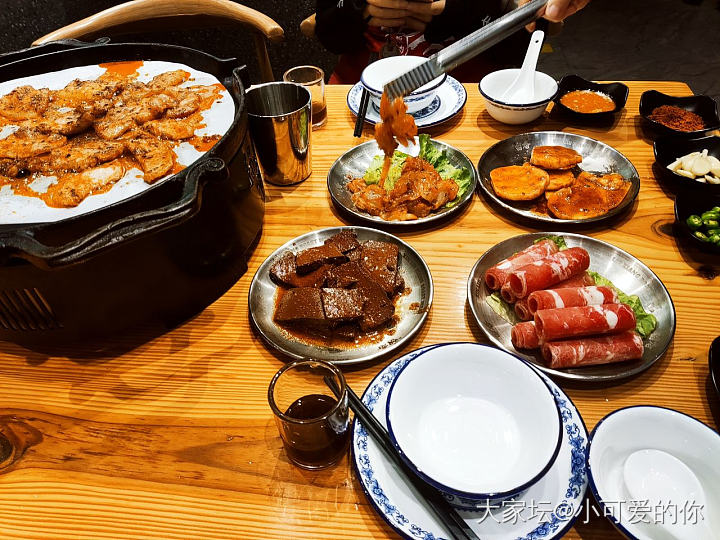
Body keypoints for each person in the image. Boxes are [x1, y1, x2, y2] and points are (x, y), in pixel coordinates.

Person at [315, 0, 591, 84]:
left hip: (467, 94)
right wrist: (353, 6)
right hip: (358, 93)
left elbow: (512, 52)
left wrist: (454, 8)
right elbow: (330, 37)